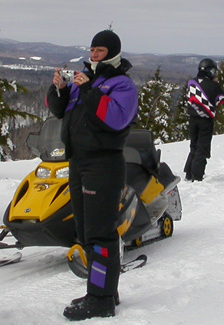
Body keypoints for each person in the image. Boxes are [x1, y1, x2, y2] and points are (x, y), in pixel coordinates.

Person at [45, 29, 138, 321]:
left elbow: (115, 118)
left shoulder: (122, 84)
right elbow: (61, 112)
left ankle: (100, 299)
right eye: (92, 49)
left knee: (100, 233)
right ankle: (106, 290)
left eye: (100, 50)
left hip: (103, 164)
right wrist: (58, 88)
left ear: (112, 53)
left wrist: (89, 90)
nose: (94, 54)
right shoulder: (85, 79)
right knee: (86, 233)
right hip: (79, 163)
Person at [183, 58, 224, 181]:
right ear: (210, 71)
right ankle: (197, 175)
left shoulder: (191, 83)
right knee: (202, 147)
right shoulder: (214, 85)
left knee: (193, 146)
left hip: (192, 119)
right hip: (205, 120)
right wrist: (215, 85)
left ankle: (188, 173)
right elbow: (221, 100)